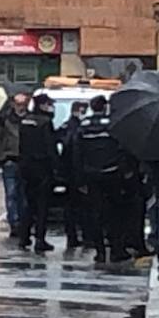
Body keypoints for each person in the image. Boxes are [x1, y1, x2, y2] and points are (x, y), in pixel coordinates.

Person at [75, 95, 135, 264]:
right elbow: (123, 149)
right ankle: (116, 250)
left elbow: (76, 153)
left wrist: (80, 178)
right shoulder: (113, 124)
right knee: (115, 214)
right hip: (112, 174)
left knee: (96, 214)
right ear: (105, 107)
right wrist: (126, 172)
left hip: (92, 176)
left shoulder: (83, 126)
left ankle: (100, 252)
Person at [18, 93, 59, 253]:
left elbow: (21, 144)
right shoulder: (45, 122)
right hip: (42, 168)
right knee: (42, 205)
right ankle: (40, 239)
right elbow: (50, 147)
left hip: (26, 167)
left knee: (28, 204)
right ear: (42, 105)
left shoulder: (25, 120)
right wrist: (57, 168)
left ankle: (24, 236)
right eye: (49, 104)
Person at [0, 93, 31, 238]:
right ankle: (14, 223)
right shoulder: (5, 120)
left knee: (24, 195)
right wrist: (1, 156)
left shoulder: (30, 119)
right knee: (11, 194)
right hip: (10, 160)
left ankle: (23, 222)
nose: (21, 107)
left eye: (23, 104)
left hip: (26, 161)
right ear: (13, 104)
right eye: (18, 104)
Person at [57, 101, 90, 249]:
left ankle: (73, 236)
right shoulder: (77, 128)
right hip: (77, 173)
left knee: (70, 207)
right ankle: (82, 236)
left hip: (67, 173)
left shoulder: (66, 126)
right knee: (82, 207)